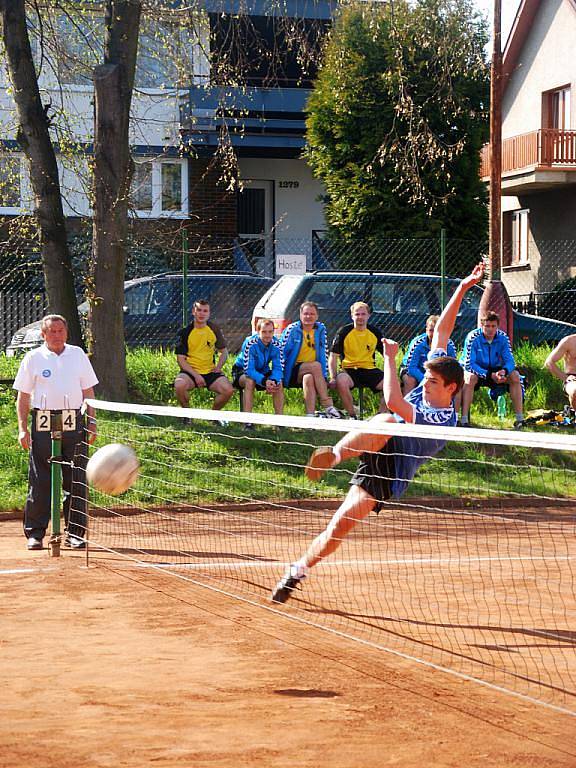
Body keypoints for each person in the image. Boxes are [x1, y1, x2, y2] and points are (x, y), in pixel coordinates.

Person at [271, 263, 484, 604]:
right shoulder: (440, 370)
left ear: (452, 388)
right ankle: (335, 455)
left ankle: (297, 571)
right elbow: (443, 331)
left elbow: (392, 399)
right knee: (385, 423)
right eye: (425, 379)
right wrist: (463, 286)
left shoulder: (441, 420)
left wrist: (389, 359)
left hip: (391, 471)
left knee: (340, 524)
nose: (426, 384)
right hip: (378, 436)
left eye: (431, 382)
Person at [13, 314, 98, 551]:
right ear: (43, 334)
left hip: (73, 419)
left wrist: (92, 422)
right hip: (43, 420)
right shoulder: (33, 358)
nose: (57, 335)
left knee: (76, 478)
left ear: (67, 333)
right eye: (52, 331)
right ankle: (36, 533)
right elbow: (23, 396)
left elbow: (88, 392)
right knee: (40, 478)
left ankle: (75, 533)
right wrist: (22, 429)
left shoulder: (78, 355)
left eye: (61, 331)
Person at [459, 311, 524, 428]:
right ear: (481, 326)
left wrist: (504, 371)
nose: (490, 329)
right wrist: (489, 375)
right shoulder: (472, 337)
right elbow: (469, 364)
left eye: (493, 326)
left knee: (515, 376)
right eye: (487, 326)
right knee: (470, 379)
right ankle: (464, 420)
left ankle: (520, 420)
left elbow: (510, 361)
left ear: (497, 326)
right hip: (475, 370)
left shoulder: (503, 338)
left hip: (495, 369)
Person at [280, 301, 341, 418]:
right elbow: (281, 353)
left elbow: (323, 353)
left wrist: (324, 376)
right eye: (306, 313)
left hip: (311, 371)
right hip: (291, 370)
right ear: (300, 315)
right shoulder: (292, 329)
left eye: (312, 314)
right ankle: (327, 405)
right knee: (315, 366)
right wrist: (279, 376)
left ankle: (310, 416)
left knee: (309, 378)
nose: (308, 317)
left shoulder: (320, 329)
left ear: (317, 316)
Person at [174, 299, 234, 411]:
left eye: (205, 311)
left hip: (210, 372)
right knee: (179, 385)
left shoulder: (214, 329)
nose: (202, 313)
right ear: (193, 312)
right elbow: (181, 360)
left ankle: (213, 416)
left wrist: (218, 367)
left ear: (209, 313)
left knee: (228, 390)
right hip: (191, 373)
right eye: (199, 310)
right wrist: (196, 376)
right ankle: (187, 415)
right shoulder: (185, 332)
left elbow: (224, 352)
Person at [329, 301, 385, 417]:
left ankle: (379, 417)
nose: (360, 317)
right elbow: (333, 356)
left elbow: (388, 355)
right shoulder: (344, 332)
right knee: (341, 380)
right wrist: (333, 377)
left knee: (392, 384)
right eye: (357, 314)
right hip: (350, 370)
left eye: (363, 314)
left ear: (368, 316)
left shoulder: (375, 332)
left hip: (370, 370)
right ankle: (353, 416)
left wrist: (391, 374)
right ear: (352, 316)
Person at [232, 319, 284, 422]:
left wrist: (273, 381)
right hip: (242, 370)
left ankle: (279, 421)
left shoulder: (277, 344)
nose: (267, 335)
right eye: (264, 332)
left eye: (270, 332)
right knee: (250, 381)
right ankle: (248, 422)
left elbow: (278, 368)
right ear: (257, 331)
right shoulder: (250, 343)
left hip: (262, 370)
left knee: (279, 383)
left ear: (273, 332)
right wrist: (265, 381)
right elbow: (249, 370)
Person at [401, 315, 457, 394]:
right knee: (410, 380)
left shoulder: (450, 345)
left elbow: (454, 367)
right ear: (426, 330)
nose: (434, 334)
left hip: (436, 374)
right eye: (431, 330)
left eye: (436, 331)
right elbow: (411, 368)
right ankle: (407, 405)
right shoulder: (418, 343)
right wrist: (427, 380)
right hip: (413, 369)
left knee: (454, 383)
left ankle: (451, 406)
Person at [544, 334, 576, 411]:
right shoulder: (569, 341)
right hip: (573, 378)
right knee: (575, 390)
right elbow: (549, 362)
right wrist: (566, 378)